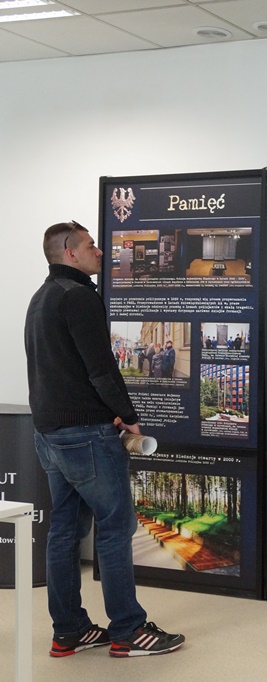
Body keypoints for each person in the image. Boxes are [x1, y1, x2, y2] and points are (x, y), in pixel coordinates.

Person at [25, 220, 185, 658]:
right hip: (86, 434)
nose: (99, 251)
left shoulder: (42, 297)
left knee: (64, 529)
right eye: (91, 245)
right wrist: (129, 418)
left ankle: (70, 631)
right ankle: (128, 631)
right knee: (116, 527)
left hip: (50, 434)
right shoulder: (78, 297)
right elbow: (100, 368)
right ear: (70, 252)